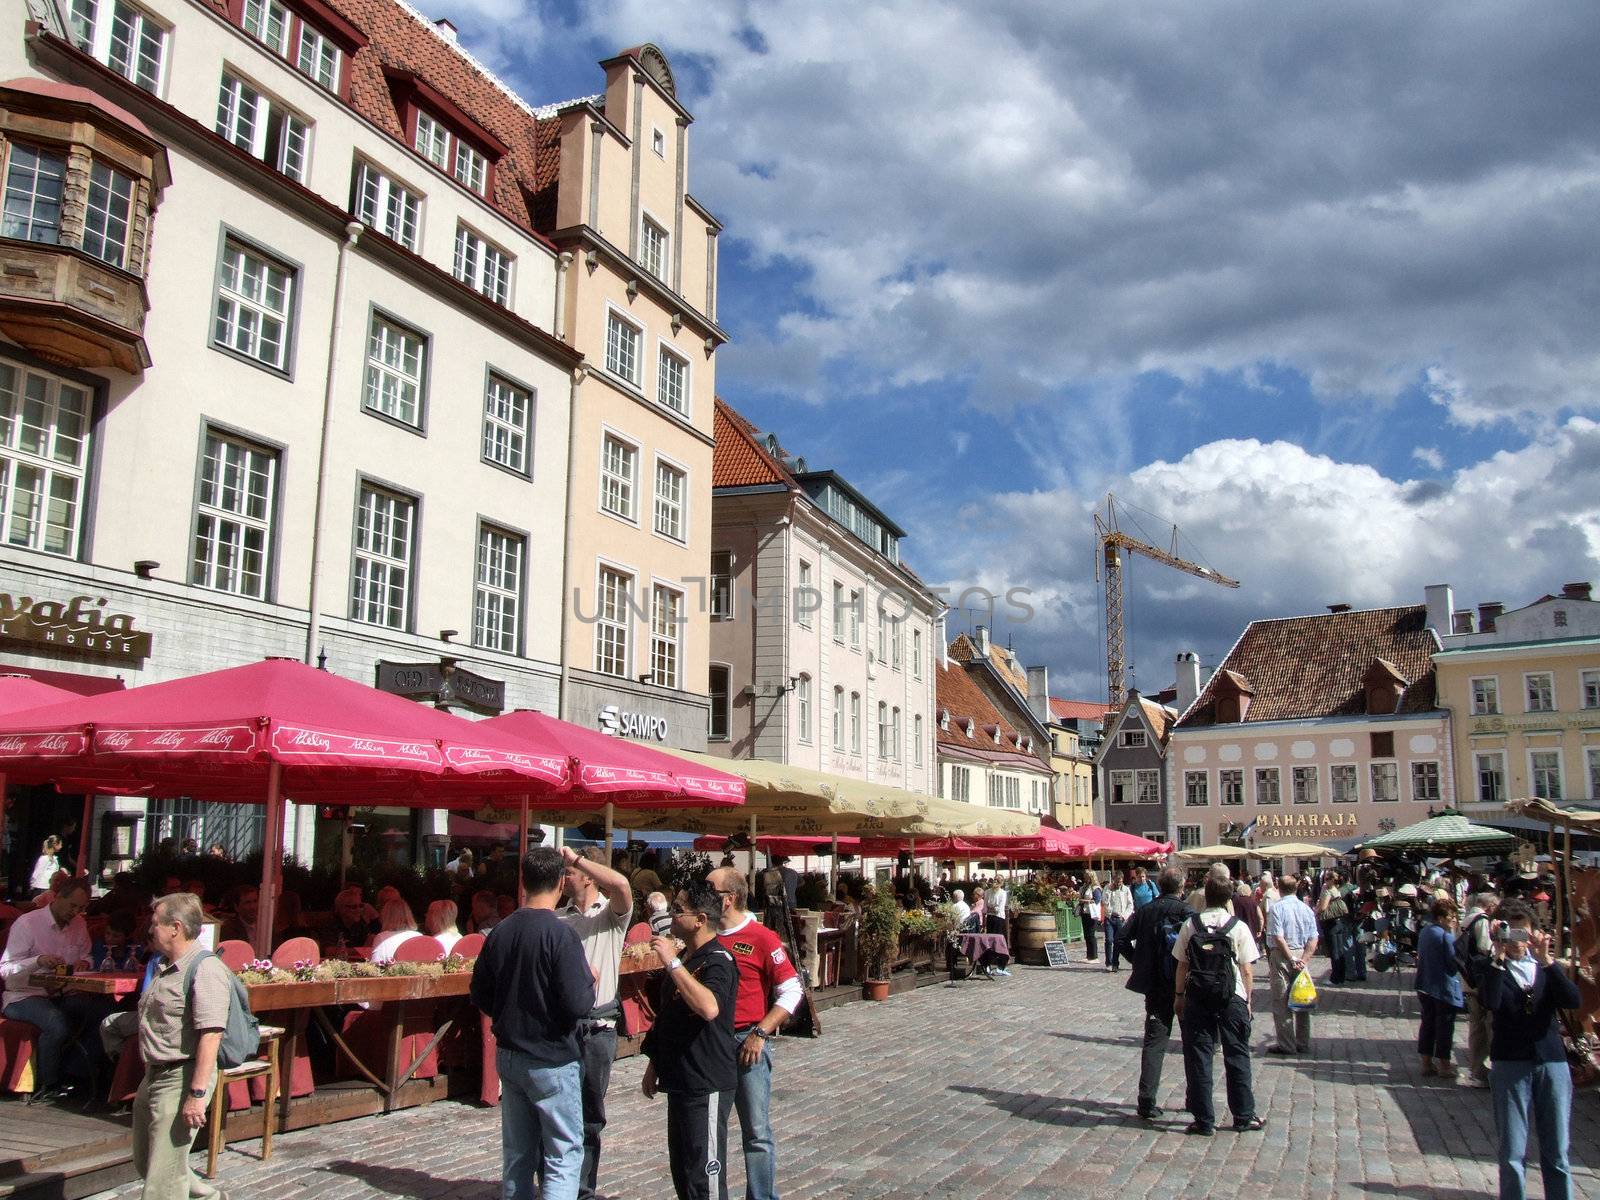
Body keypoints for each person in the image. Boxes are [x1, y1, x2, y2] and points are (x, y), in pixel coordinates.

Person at [471, 848, 595, 1200]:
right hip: (551, 1056)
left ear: (523, 881)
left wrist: (512, 1012)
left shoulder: (500, 931)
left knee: (518, 1154)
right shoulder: (560, 935)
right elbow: (579, 1003)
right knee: (563, 1153)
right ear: (560, 882)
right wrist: (590, 979)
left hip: (510, 1055)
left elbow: (480, 993)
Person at [709, 868, 804, 1200]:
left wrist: (761, 1032)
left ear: (729, 899)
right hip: (711, 1045)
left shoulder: (761, 937)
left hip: (747, 1041)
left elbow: (792, 991)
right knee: (710, 1132)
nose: (702, 895)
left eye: (710, 889)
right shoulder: (703, 936)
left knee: (757, 1132)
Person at [641, 882, 739, 1200]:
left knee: (703, 1179)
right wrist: (654, 1063)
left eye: (677, 910)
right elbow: (669, 1015)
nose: (671, 914)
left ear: (699, 919)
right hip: (680, 1078)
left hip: (706, 1081)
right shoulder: (689, 958)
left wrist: (672, 963)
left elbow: (709, 1007)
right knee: (683, 1173)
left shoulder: (718, 960)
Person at [133, 892, 233, 1200]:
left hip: (182, 1077)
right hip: (154, 1074)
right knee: (148, 1160)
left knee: (161, 1184)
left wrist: (197, 1095)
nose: (151, 930)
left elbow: (211, 1035)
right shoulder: (164, 965)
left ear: (175, 927)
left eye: (155, 923)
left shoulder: (206, 970)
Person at [1481, 899, 1579, 1200]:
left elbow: (1572, 1000)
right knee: (1512, 1149)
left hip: (1552, 1062)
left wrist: (1547, 960)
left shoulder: (1544, 968)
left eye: (1524, 933)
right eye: (1512, 934)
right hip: (1511, 1063)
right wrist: (1497, 958)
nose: (1518, 943)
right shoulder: (1492, 967)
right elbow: (1491, 1002)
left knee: (1557, 1149)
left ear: (1535, 932)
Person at [551, 847, 634, 1200]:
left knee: (589, 1116)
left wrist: (577, 858)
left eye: (568, 873)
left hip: (598, 1027)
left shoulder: (611, 915)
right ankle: (557, 1184)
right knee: (557, 1112)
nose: (564, 878)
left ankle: (583, 1190)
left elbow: (622, 885)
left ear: (587, 875)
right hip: (563, 1024)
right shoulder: (558, 918)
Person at [0, 878, 109, 1102]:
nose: (76, 912)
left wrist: (85, 963)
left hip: (63, 992)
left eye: (81, 908)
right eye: (73, 906)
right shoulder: (28, 923)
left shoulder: (78, 924)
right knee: (56, 1023)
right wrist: (37, 961)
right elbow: (6, 970)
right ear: (58, 897)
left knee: (103, 1014)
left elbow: (86, 955)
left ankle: (74, 1074)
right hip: (24, 995)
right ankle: (48, 1084)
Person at [1173, 875, 1263, 1136]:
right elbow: (1246, 969)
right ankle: (1243, 1116)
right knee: (1237, 1054)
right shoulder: (1238, 927)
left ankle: (1203, 1119)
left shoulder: (1191, 924)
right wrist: (1248, 1000)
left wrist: (1179, 995)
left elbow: (1182, 963)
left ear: (1205, 895)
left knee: (1199, 1056)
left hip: (1198, 995)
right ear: (1228, 898)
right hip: (1231, 995)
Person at [1116, 866, 1193, 1120]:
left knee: (1154, 1043)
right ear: (1182, 887)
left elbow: (1121, 939)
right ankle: (1195, 1098)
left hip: (1156, 984)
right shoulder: (1188, 913)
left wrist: (1138, 960)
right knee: (1193, 1042)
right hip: (1185, 985)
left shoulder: (1145, 911)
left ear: (1159, 886)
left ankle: (1146, 1101)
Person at [1263, 874, 1318, 1056]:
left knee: (1281, 1001)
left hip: (1282, 955)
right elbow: (1313, 937)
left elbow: (1277, 936)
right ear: (1296, 888)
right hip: (1301, 952)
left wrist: (1290, 958)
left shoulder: (1277, 908)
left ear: (1278, 887)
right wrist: (1304, 959)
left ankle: (1287, 1044)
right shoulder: (1306, 909)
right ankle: (1303, 1042)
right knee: (1301, 999)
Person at [1415, 895, 1463, 1080]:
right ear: (1441, 918)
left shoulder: (1426, 932)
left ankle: (1426, 1063)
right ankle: (1445, 1065)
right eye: (1451, 917)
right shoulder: (1445, 936)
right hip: (1442, 988)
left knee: (1427, 1025)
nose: (1453, 920)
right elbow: (1453, 964)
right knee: (1444, 1028)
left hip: (1424, 985)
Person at [1460, 890, 1498, 1088]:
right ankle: (1483, 1071)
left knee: (1475, 1027)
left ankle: (1476, 1070)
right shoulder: (1481, 920)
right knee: (1486, 1026)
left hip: (1468, 980)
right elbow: (1486, 948)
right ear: (1490, 906)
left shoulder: (1467, 918)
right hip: (1480, 981)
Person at [318, 886, 379, 954]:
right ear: (341, 909)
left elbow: (367, 945)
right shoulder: (331, 923)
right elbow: (329, 950)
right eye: (353, 907)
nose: (358, 910)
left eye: (361, 906)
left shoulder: (359, 923)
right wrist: (360, 951)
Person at [1103, 873, 1134, 972]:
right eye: (1117, 881)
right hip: (1110, 917)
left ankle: (1115, 963)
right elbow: (1103, 901)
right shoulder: (1108, 888)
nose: (1118, 883)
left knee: (1117, 942)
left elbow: (1130, 904)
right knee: (1109, 940)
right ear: (1113, 880)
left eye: (1120, 881)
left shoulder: (1126, 889)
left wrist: (1124, 916)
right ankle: (1109, 962)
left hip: (1120, 918)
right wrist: (1109, 891)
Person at [1080, 871, 1102, 962]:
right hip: (1084, 912)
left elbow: (1096, 900)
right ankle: (1089, 955)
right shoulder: (1085, 887)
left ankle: (1094, 956)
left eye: (1087, 877)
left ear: (1091, 877)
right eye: (1085, 876)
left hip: (1092, 913)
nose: (1085, 878)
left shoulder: (1095, 888)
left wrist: (1085, 901)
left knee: (1091, 934)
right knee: (1086, 935)